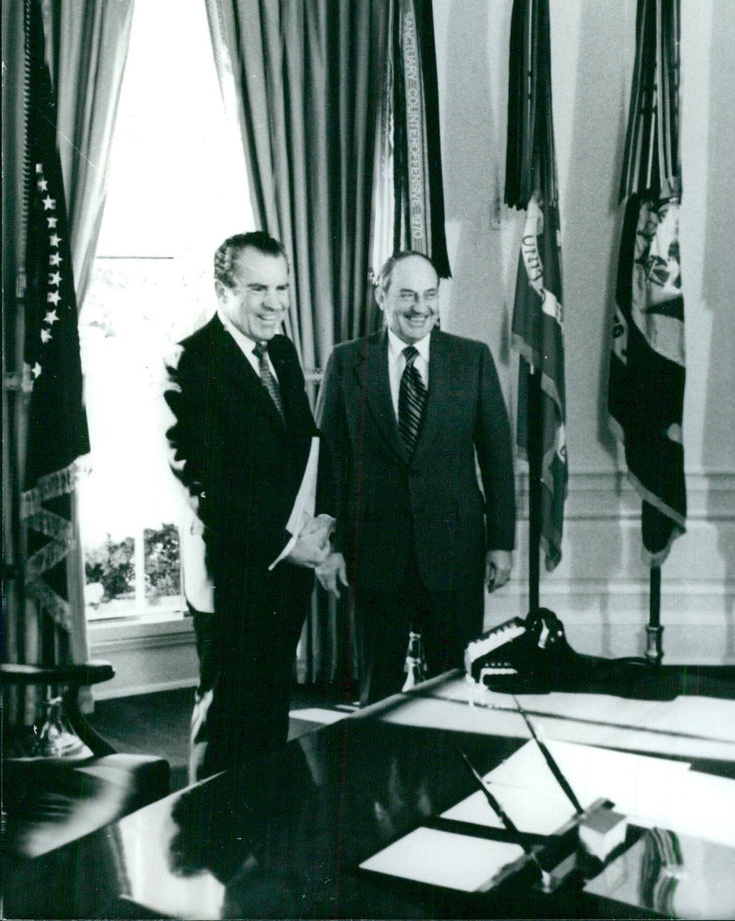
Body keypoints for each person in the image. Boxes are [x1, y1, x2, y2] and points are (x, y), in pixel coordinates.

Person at [164, 232, 333, 781]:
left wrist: (319, 529)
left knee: (268, 717)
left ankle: (258, 844)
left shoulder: (280, 350)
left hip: (287, 574)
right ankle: (206, 847)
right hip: (236, 573)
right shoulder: (190, 361)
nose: (275, 302)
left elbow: (303, 447)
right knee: (225, 722)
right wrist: (287, 546)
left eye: (282, 287)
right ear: (222, 290)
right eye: (258, 288)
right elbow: (204, 486)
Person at [316, 250, 516, 705]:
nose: (419, 307)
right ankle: (378, 776)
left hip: (455, 551)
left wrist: (501, 542)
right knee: (377, 693)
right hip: (375, 555)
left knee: (454, 688)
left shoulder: (473, 359)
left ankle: (451, 776)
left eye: (429, 294)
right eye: (406, 294)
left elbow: (497, 460)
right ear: (382, 296)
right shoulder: (347, 362)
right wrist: (332, 547)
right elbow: (331, 462)